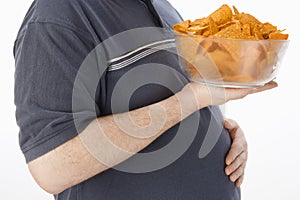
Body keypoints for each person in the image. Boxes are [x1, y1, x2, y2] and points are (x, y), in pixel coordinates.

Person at [13, 0, 277, 199]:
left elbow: (177, 94)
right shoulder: (55, 18)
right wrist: (193, 100)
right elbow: (52, 167)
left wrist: (222, 129)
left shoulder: (160, 6)